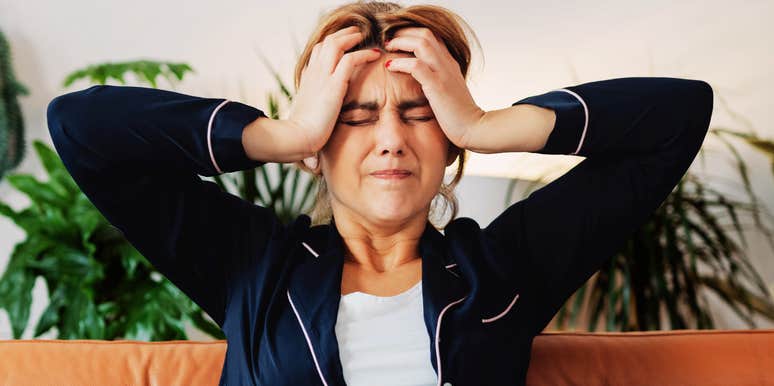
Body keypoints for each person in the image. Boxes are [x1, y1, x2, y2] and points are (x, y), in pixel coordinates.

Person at [45, 1, 714, 385]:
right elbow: (80, 127)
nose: (390, 139)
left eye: (420, 114)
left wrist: (485, 124)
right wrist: (283, 134)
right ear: (319, 145)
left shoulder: (504, 268)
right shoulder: (253, 267)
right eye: (357, 117)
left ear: (448, 138)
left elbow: (677, 117)